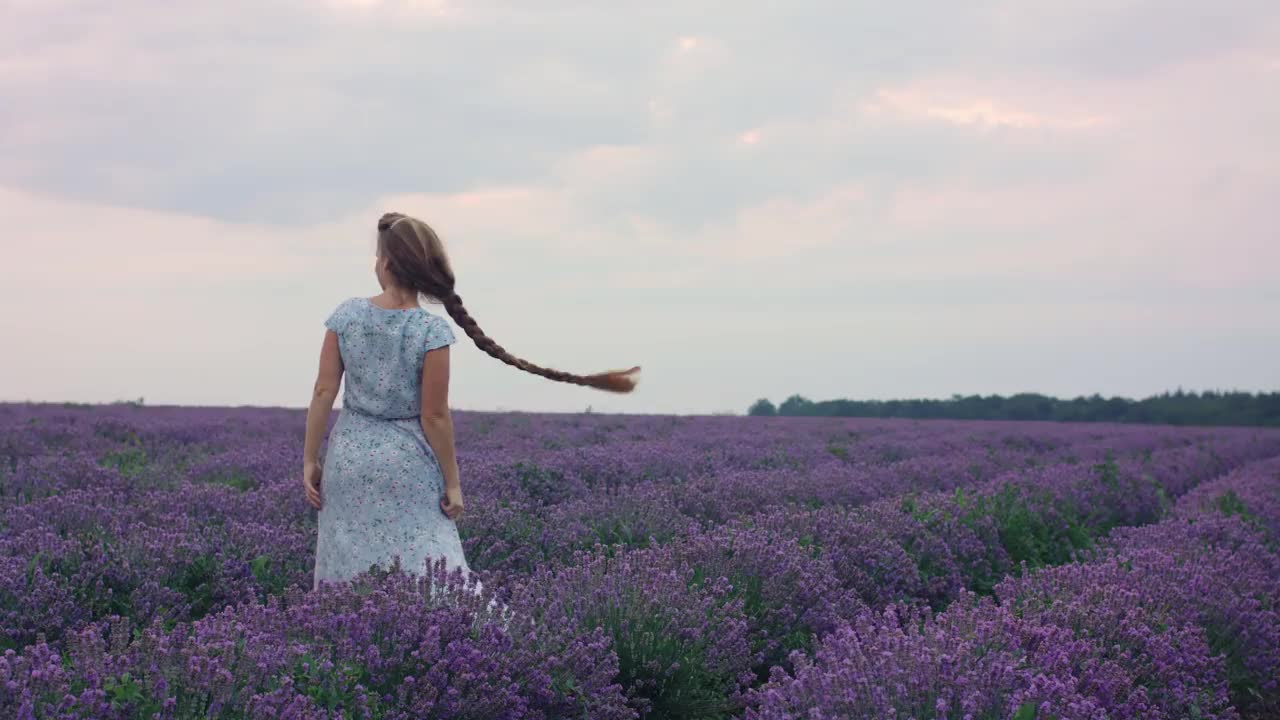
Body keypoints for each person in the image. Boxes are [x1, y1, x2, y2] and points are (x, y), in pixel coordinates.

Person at [303, 212, 640, 591]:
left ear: (384, 264)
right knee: (430, 565)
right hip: (408, 465)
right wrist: (453, 483)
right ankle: (451, 640)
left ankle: (346, 639)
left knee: (346, 562)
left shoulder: (345, 316)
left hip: (349, 459)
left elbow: (323, 392)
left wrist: (311, 459)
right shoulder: (431, 330)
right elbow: (434, 416)